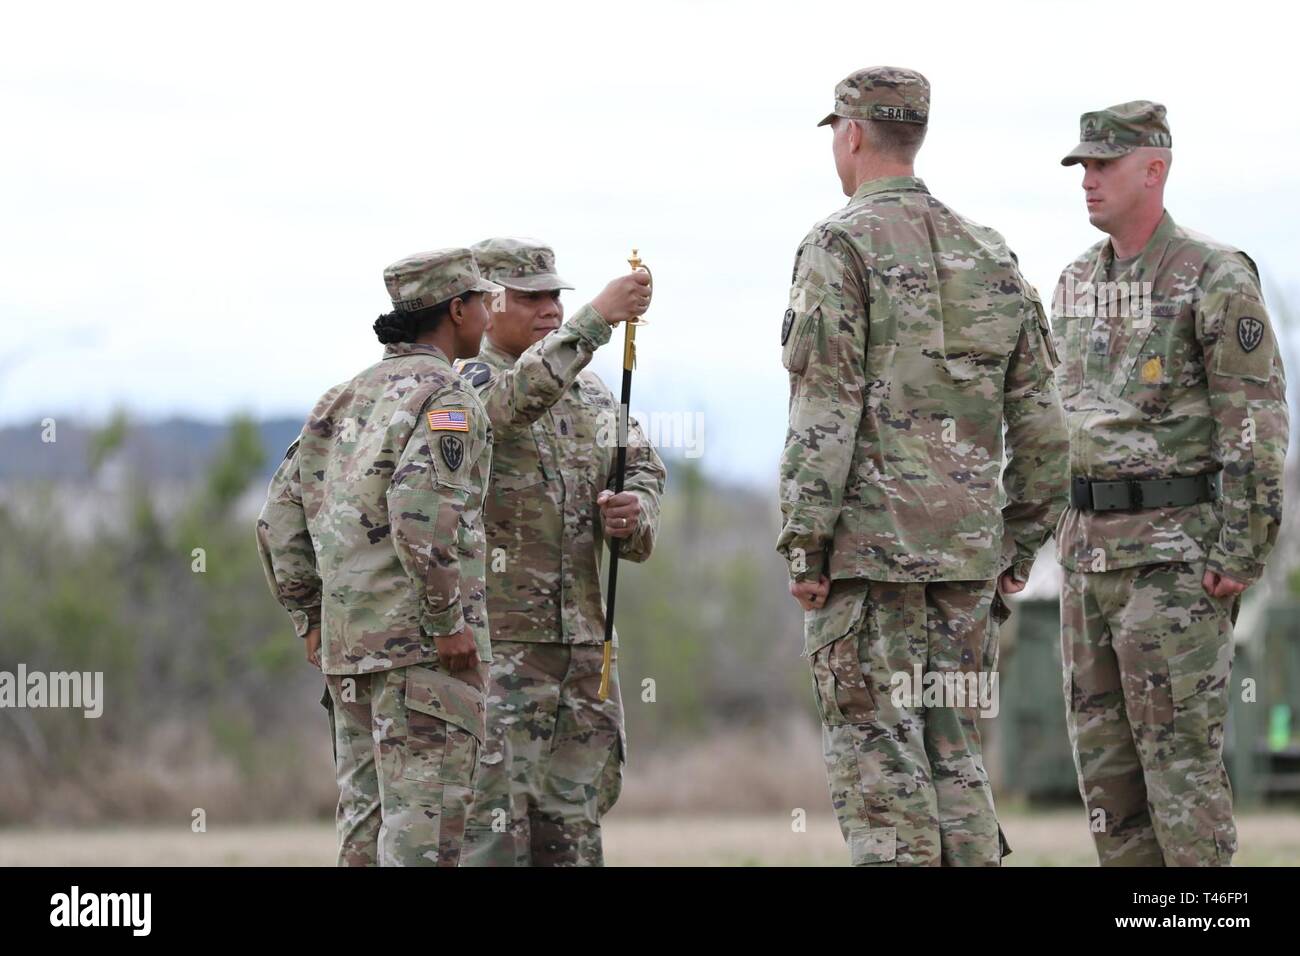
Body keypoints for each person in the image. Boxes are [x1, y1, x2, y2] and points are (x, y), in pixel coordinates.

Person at [777, 66, 1069, 866]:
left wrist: (805, 543)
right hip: (967, 570)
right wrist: (1017, 546)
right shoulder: (993, 253)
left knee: (882, 773)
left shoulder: (838, 246)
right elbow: (1046, 430)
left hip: (868, 568)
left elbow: (824, 412)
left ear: (852, 132)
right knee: (955, 763)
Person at [1052, 101, 1290, 866]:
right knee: (1108, 790)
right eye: (1081, 165)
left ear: (1154, 169)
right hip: (1087, 563)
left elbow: (1254, 422)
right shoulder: (1074, 283)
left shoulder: (1214, 276)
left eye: (1102, 164)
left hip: (1175, 568)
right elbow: (1054, 426)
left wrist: (1240, 551)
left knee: (1180, 779)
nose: (1086, 180)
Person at [256, 248, 500, 866]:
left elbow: (278, 519)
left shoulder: (340, 401)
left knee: (363, 841)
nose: (490, 313)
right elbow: (419, 511)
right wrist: (449, 624)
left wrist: (310, 619)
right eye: (482, 300)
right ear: (456, 309)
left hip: (351, 657)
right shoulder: (449, 400)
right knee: (422, 845)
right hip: (422, 656)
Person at [457, 237, 665, 866]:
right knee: (493, 832)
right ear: (489, 305)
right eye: (531, 297)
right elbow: (514, 402)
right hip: (501, 654)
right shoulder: (465, 384)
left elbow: (643, 469)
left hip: (582, 651)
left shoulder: (594, 394)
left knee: (573, 834)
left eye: (557, 296)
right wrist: (598, 317)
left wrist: (635, 514)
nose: (549, 307)